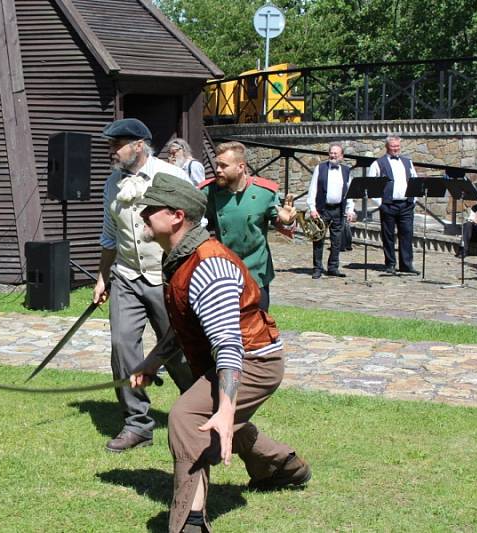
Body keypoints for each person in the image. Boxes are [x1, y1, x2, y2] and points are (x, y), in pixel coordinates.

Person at [132, 173, 310, 533]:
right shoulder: (183, 257)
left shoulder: (208, 266)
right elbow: (186, 322)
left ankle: (190, 522)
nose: (143, 216)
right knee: (213, 420)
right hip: (236, 358)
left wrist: (226, 409)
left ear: (177, 216)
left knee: (187, 417)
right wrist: (153, 360)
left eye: (151, 209)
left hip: (254, 362)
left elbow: (230, 344)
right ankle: (284, 467)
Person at [93, 118, 195, 453]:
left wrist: (185, 273)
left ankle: (200, 410)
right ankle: (137, 424)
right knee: (122, 346)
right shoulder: (112, 183)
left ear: (139, 145)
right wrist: (103, 276)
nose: (111, 150)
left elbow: (197, 224)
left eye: (117, 144)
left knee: (178, 351)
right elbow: (110, 235)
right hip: (126, 275)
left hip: (165, 275)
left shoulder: (171, 176)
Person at [201, 141, 296, 310]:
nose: (218, 170)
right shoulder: (209, 192)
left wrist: (288, 220)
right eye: (217, 165)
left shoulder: (263, 192)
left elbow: (281, 222)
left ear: (240, 167)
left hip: (256, 272)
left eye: (223, 166)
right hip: (224, 271)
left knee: (258, 330)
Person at [368, 136, 419, 275]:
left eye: (397, 146)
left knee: (407, 235)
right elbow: (371, 188)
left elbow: (415, 180)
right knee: (388, 236)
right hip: (388, 205)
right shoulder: (378, 164)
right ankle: (390, 264)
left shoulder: (407, 162)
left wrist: (413, 200)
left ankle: (406, 265)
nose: (396, 149)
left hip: (406, 205)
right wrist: (381, 204)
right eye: (393, 146)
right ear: (387, 147)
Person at [305, 142, 356, 278]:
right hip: (322, 208)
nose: (332, 156)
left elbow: (349, 192)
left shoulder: (346, 170)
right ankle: (317, 268)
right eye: (331, 153)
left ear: (341, 156)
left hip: (338, 210)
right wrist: (312, 208)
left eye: (335, 154)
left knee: (337, 240)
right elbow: (313, 188)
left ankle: (333, 267)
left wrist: (350, 209)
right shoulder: (320, 168)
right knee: (318, 239)